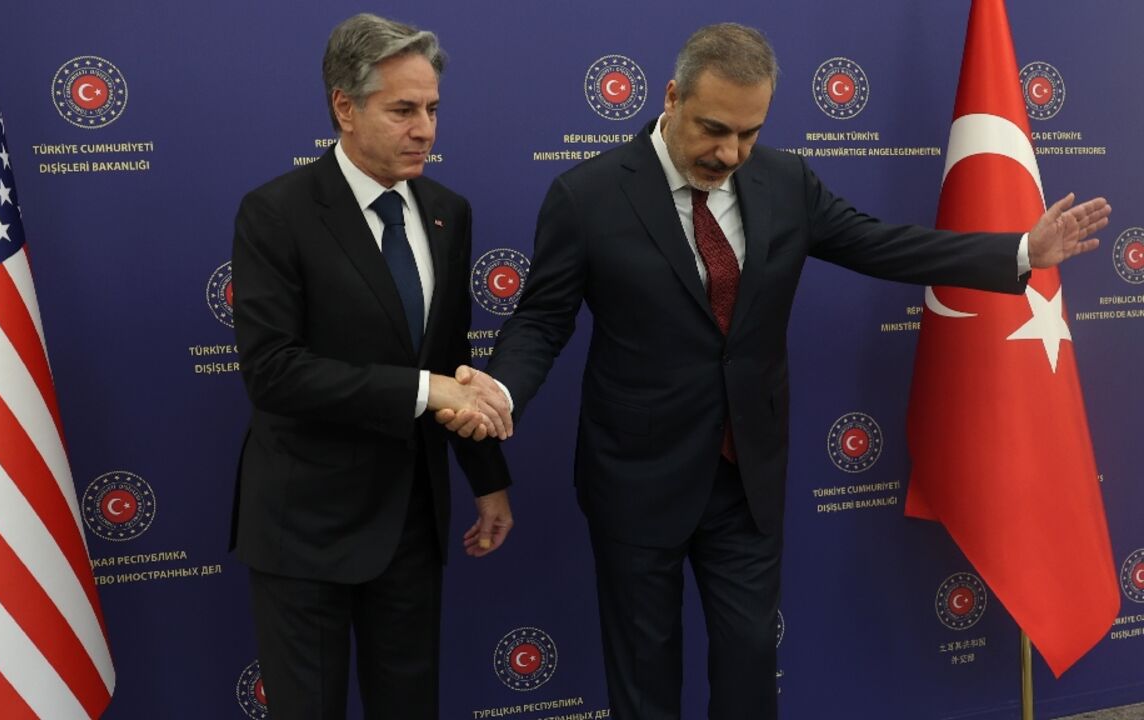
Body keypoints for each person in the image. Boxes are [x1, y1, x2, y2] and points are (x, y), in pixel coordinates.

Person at [439, 22, 1108, 720]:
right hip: (636, 476)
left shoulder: (784, 180)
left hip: (745, 474)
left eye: (749, 133)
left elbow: (880, 245)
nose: (729, 153)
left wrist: (1019, 253)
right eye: (713, 129)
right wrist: (504, 387)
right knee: (643, 671)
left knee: (750, 660)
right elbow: (543, 320)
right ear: (671, 97)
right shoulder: (588, 195)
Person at [229, 13, 515, 719]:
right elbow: (274, 372)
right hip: (305, 531)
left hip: (412, 524)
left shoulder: (449, 212)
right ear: (345, 108)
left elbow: (453, 361)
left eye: (433, 109)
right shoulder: (276, 213)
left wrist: (487, 482)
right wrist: (424, 389)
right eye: (404, 110)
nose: (426, 130)